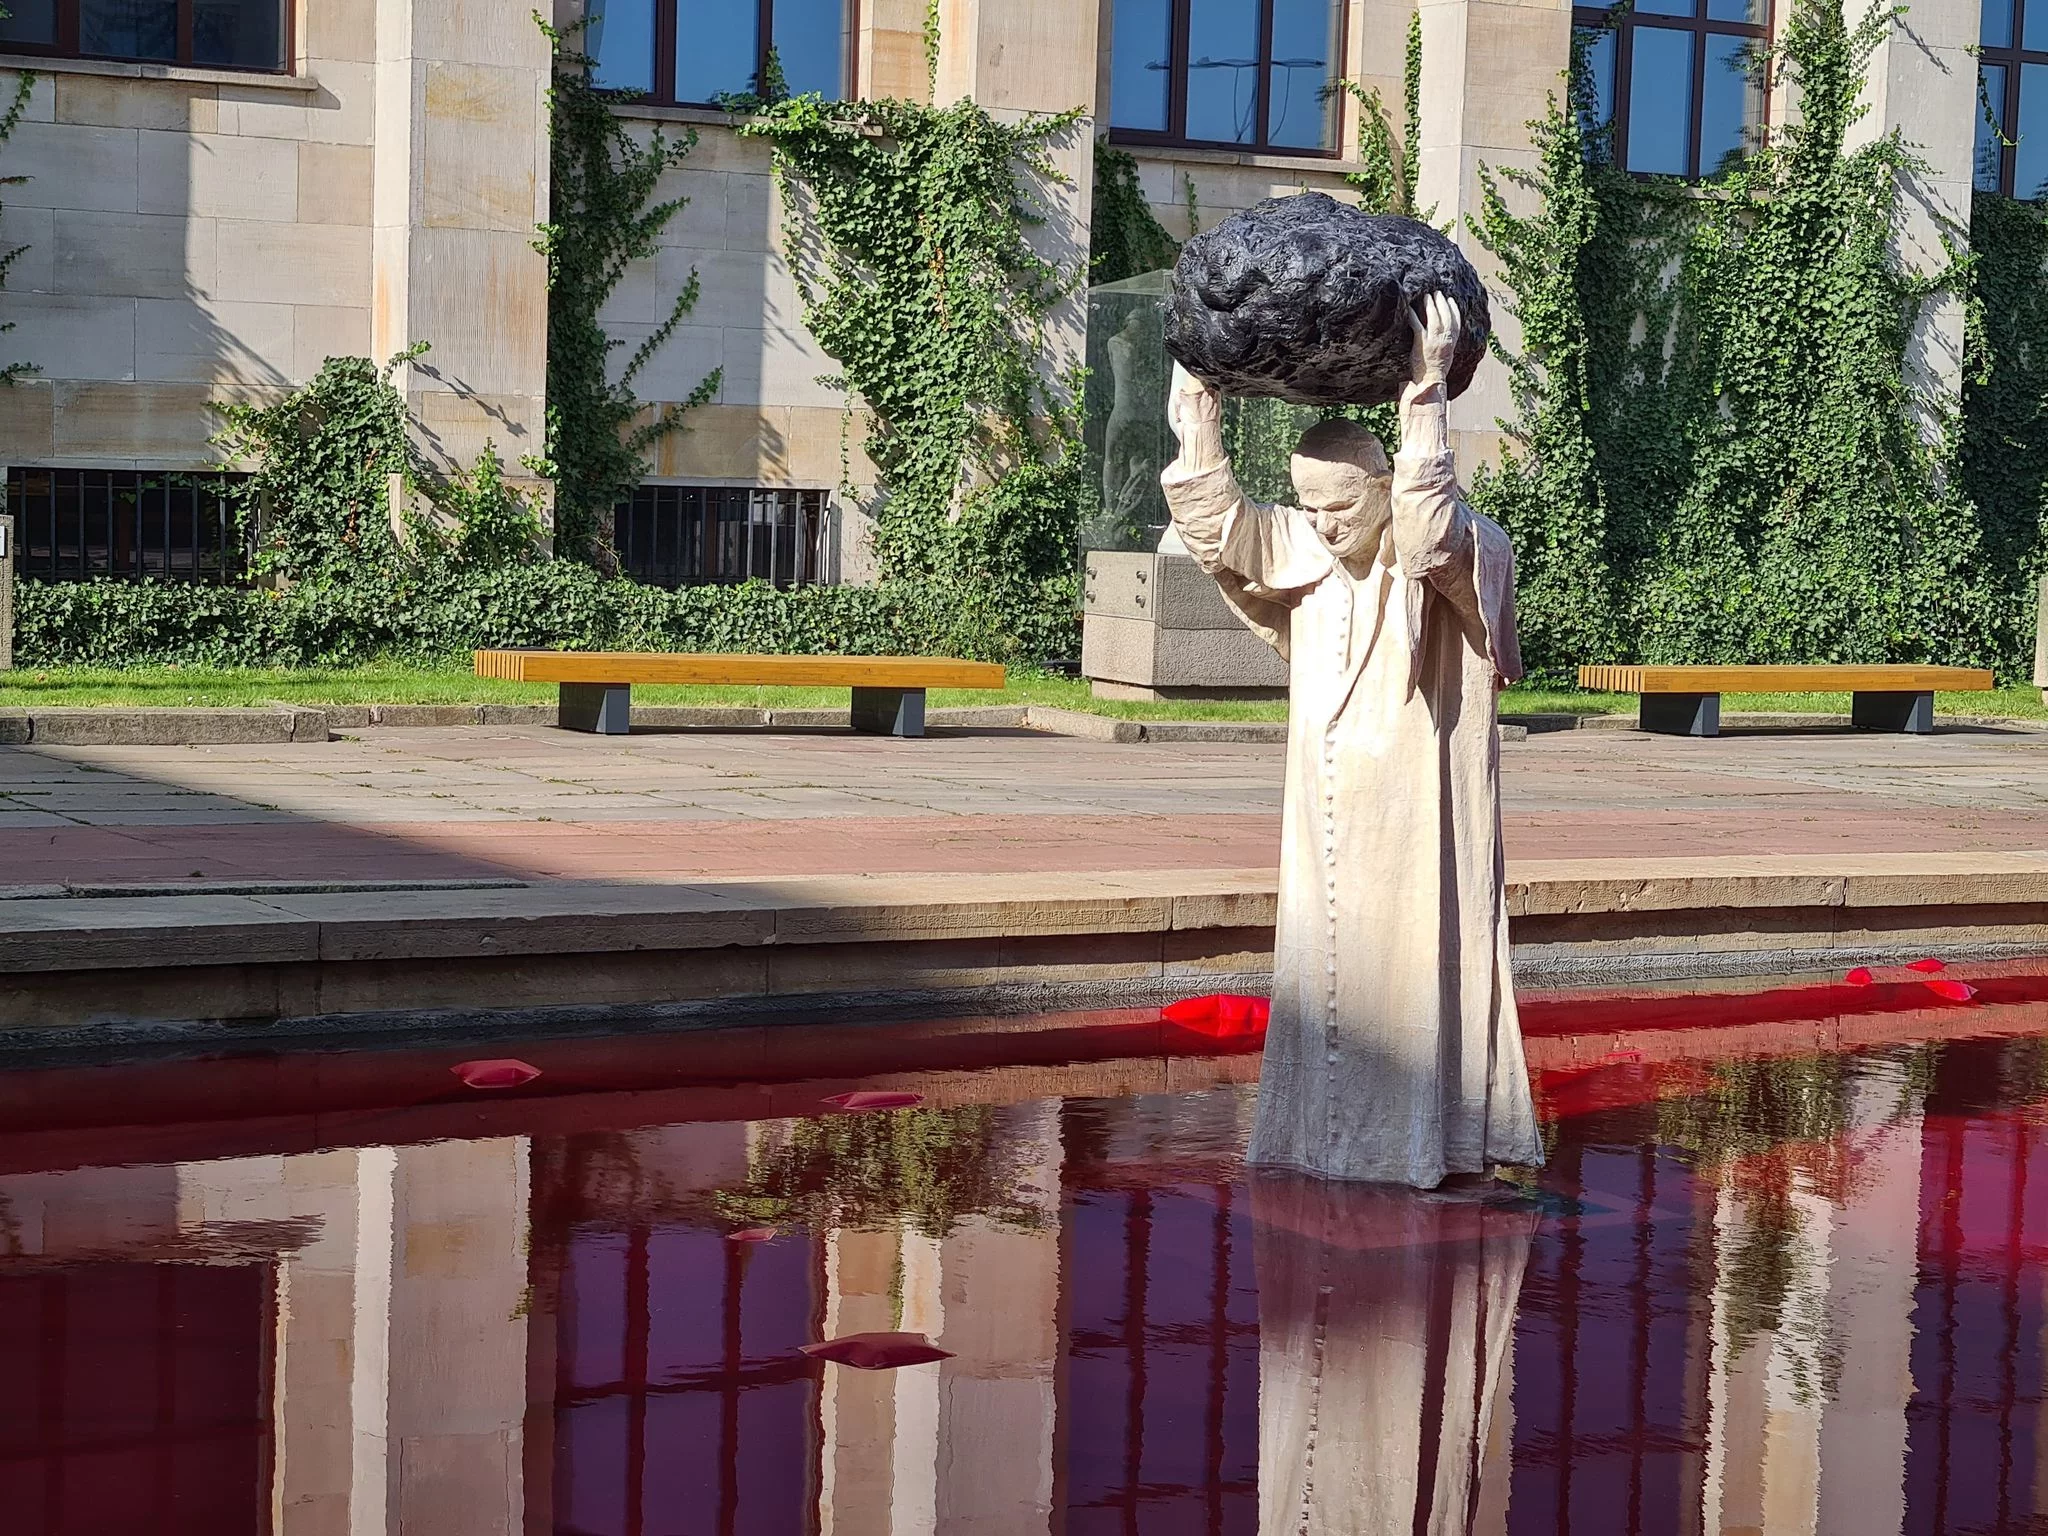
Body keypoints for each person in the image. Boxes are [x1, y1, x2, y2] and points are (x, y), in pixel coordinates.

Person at [1161, 293, 1542, 1188]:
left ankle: (1419, 1139)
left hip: (1413, 807)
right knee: (1325, 967)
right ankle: (1318, 1138)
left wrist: (1424, 400)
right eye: (1311, 509)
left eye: (1339, 509)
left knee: (1411, 965)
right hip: (1325, 812)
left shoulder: (1468, 545)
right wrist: (1197, 425)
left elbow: (1430, 538)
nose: (1325, 528)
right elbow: (1221, 532)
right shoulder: (1307, 548)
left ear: (1379, 488)